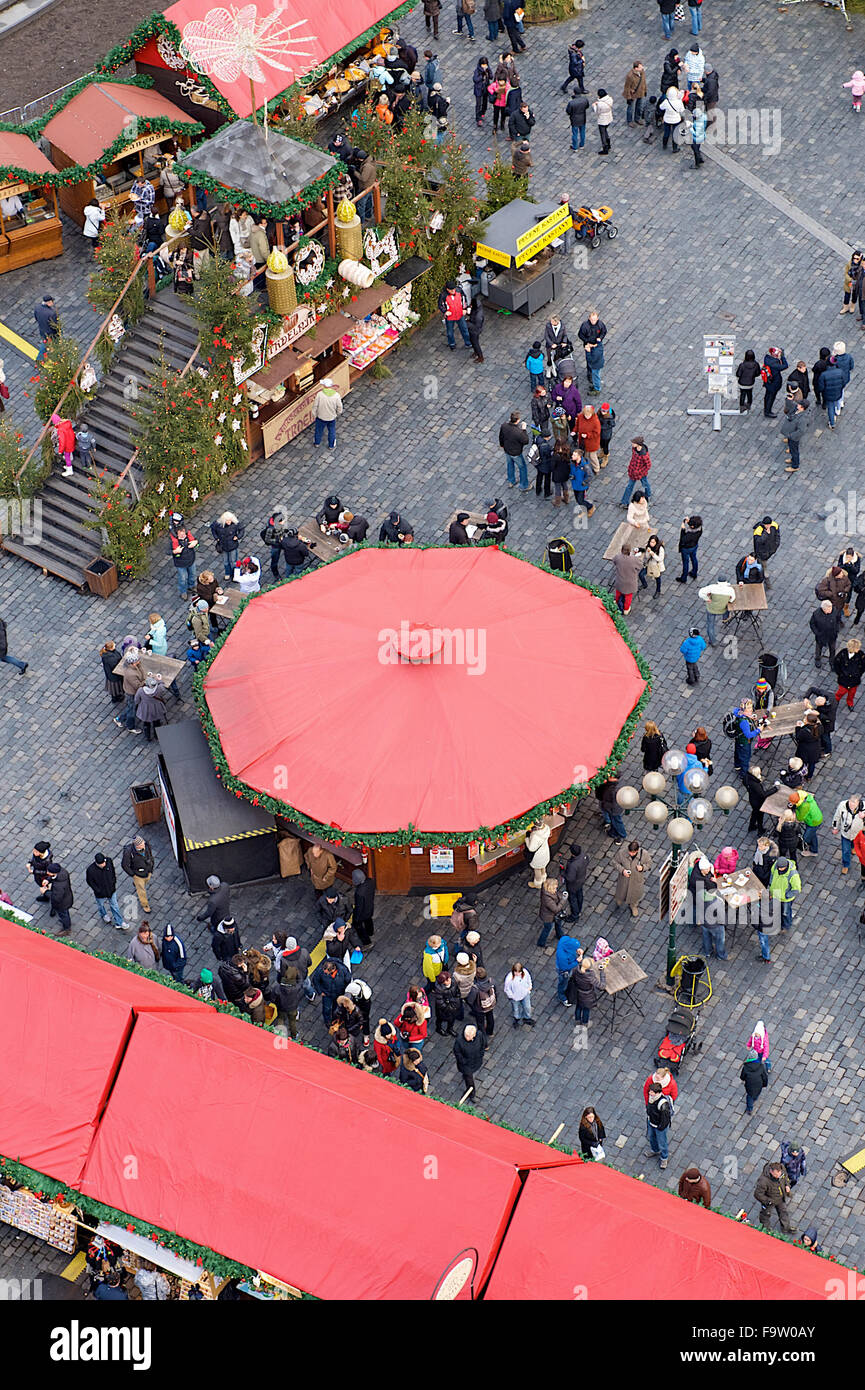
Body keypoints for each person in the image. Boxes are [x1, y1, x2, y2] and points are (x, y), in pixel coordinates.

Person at [85, 851, 128, 930]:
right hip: (100, 893)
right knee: (101, 905)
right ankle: (104, 914)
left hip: (111, 890)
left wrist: (113, 882)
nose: (103, 865)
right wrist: (98, 890)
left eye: (104, 862)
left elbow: (113, 872)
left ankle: (119, 922)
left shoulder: (109, 861)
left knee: (115, 906)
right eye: (101, 864)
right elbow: (90, 882)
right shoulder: (90, 870)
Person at [614, 840, 652, 918]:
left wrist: (642, 868)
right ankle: (619, 899)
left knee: (635, 894)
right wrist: (622, 870)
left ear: (637, 851)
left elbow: (649, 864)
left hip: (636, 879)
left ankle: (633, 905)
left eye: (633, 853)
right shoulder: (621, 853)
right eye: (630, 852)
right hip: (624, 879)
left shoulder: (644, 854)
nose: (631, 854)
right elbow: (615, 862)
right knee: (621, 892)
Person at [754, 1161, 795, 1232]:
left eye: (779, 1174)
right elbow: (758, 1194)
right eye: (776, 1175)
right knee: (765, 1215)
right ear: (771, 1171)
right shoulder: (763, 1181)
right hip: (770, 1201)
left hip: (780, 1198)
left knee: (783, 1212)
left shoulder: (782, 1169)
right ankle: (765, 1229)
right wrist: (767, 1201)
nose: (778, 1176)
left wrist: (787, 1185)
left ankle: (786, 1228)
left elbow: (786, 1178)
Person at [698, 576, 735, 646]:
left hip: (712, 609)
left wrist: (707, 599)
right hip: (722, 609)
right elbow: (732, 599)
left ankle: (713, 641)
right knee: (727, 608)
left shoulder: (712, 587)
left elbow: (700, 593)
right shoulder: (730, 590)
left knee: (710, 625)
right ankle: (725, 619)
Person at [567, 956, 604, 1027]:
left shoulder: (575, 969)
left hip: (577, 992)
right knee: (586, 1010)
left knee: (578, 1007)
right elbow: (602, 986)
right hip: (587, 995)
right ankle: (585, 1023)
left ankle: (577, 1021)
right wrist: (602, 974)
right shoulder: (589, 977)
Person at [832, 795, 864, 874]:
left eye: (854, 804)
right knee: (845, 850)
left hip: (857, 832)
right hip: (846, 833)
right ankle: (846, 865)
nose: (851, 806)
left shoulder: (863, 807)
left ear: (858, 803)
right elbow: (837, 817)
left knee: (855, 843)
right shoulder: (842, 805)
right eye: (850, 803)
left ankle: (853, 848)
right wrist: (835, 827)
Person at [121, 834, 154, 912]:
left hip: (148, 870)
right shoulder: (129, 852)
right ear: (137, 846)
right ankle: (145, 905)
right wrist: (133, 874)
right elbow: (124, 865)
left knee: (146, 880)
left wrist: (151, 866)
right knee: (141, 890)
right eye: (142, 845)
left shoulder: (146, 844)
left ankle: (136, 884)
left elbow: (150, 855)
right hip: (138, 874)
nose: (144, 846)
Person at [498, 410, 530, 490]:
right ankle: (524, 485)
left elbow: (501, 436)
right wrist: (524, 429)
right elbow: (525, 441)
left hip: (507, 450)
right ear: (518, 420)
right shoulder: (518, 432)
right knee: (522, 468)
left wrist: (502, 445)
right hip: (516, 453)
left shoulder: (504, 426)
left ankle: (511, 481)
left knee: (510, 464)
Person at [769, 854, 801, 930]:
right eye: (779, 868)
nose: (779, 869)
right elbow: (772, 875)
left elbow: (796, 889)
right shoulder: (775, 866)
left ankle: (786, 926)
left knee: (785, 913)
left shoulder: (793, 875)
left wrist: (786, 896)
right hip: (776, 894)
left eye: (781, 868)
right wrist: (770, 887)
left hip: (785, 898)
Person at [453, 1022, 486, 1098]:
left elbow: (483, 1044)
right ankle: (471, 1092)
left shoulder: (479, 1035)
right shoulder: (459, 1041)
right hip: (466, 1065)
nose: (467, 1037)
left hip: (476, 1061)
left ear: (474, 1035)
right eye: (466, 1035)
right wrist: (463, 1061)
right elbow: (457, 1052)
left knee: (468, 1076)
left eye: (469, 1036)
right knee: (469, 1079)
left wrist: (481, 1054)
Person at [210, 512, 244, 582]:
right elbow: (213, 529)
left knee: (234, 561)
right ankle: (227, 573)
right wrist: (216, 538)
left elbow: (241, 529)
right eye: (227, 520)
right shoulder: (218, 524)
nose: (229, 522)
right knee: (226, 561)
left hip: (232, 545)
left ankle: (236, 574)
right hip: (223, 546)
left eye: (230, 520)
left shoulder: (235, 524)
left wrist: (238, 537)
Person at [646, 1082, 673, 1168]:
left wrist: (660, 1127)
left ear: (657, 1093)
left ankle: (664, 1158)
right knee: (651, 1138)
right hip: (651, 1122)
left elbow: (665, 1118)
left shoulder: (662, 1103)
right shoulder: (651, 1098)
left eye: (652, 1092)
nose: (650, 1093)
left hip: (659, 1126)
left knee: (662, 1142)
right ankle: (655, 1150)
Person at [578, 310, 607, 391]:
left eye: (595, 319)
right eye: (592, 319)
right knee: (589, 360)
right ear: (589, 318)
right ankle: (589, 373)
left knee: (592, 359)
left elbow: (604, 332)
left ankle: (593, 376)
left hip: (596, 344)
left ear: (597, 318)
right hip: (588, 344)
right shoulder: (585, 326)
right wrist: (587, 342)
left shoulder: (600, 324)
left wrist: (600, 338)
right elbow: (580, 335)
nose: (593, 321)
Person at [41, 862, 73, 934]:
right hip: (66, 897)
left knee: (63, 915)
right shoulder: (62, 872)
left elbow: (56, 898)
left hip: (62, 903)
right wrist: (48, 880)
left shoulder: (59, 886)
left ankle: (67, 929)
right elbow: (53, 877)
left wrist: (45, 892)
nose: (47, 872)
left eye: (49, 872)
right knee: (65, 913)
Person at [438, 279, 471, 349]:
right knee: (450, 332)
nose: (453, 291)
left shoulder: (459, 290)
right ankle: (452, 344)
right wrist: (445, 311)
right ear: (447, 289)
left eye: (454, 289)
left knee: (465, 330)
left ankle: (468, 343)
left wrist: (464, 309)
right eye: (451, 290)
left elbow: (464, 299)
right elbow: (440, 305)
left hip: (460, 314)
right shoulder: (443, 295)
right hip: (450, 317)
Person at [833, 637, 865, 708]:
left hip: (854, 679)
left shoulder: (861, 654)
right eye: (857, 648)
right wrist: (840, 674)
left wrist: (859, 674)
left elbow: (863, 665)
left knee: (852, 693)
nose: (859, 649)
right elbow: (836, 664)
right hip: (844, 679)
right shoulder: (843, 654)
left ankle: (850, 702)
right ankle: (836, 700)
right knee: (841, 692)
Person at [789, 788, 823, 854]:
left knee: (805, 838)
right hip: (817, 818)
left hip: (813, 822)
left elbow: (800, 818)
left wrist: (795, 810)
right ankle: (814, 848)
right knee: (812, 834)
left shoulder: (805, 806)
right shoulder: (805, 797)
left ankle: (813, 851)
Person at [311, 378, 343, 450]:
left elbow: (315, 406)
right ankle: (331, 445)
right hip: (331, 417)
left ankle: (317, 443)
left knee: (318, 430)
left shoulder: (319, 395)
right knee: (331, 430)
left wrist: (314, 414)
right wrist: (338, 413)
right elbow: (340, 406)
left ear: (324, 386)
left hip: (321, 417)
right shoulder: (336, 395)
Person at [620, 436, 651, 506]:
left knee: (645, 484)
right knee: (629, 487)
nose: (632, 444)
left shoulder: (644, 455)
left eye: (633, 443)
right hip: (633, 472)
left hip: (640, 473)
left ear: (638, 444)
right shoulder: (634, 449)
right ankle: (624, 502)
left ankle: (648, 495)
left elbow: (648, 465)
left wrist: (640, 471)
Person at [134, 677, 167, 742]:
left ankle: (148, 737)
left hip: (145, 709)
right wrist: (160, 680)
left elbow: (136, 700)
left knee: (146, 723)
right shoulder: (158, 688)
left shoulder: (141, 690)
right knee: (157, 723)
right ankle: (157, 736)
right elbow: (163, 687)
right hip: (156, 708)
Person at [613, 545, 642, 616]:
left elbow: (614, 561)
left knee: (618, 593)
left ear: (621, 550)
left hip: (620, 581)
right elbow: (640, 566)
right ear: (629, 551)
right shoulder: (634, 559)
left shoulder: (618, 557)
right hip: (630, 582)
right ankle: (626, 609)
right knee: (628, 596)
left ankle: (616, 602)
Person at [563, 844, 589, 923]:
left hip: (573, 885)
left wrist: (563, 873)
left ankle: (575, 915)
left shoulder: (573, 865)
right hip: (580, 880)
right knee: (579, 895)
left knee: (573, 899)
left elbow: (570, 878)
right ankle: (579, 908)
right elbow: (587, 861)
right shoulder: (584, 855)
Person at [503, 961, 534, 1026]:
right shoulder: (509, 978)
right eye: (515, 972)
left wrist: (529, 987)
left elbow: (529, 979)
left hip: (525, 994)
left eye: (519, 972)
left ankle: (527, 1018)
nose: (517, 974)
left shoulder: (525, 973)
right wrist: (512, 996)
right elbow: (507, 989)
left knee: (527, 1007)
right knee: (516, 1009)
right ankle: (517, 1019)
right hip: (515, 997)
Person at [780, 399, 807, 472]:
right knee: (791, 448)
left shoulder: (802, 419)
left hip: (794, 437)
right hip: (790, 434)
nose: (797, 405)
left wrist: (791, 435)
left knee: (794, 451)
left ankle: (795, 466)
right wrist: (789, 400)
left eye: (799, 405)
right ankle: (792, 459)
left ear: (802, 407)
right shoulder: (796, 410)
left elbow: (801, 431)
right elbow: (790, 407)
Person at [762, 346, 788, 417]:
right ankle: (767, 411)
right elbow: (785, 365)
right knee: (771, 397)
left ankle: (766, 408)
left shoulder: (767, 359)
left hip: (768, 382)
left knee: (767, 395)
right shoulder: (775, 365)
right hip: (774, 384)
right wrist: (782, 356)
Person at [676, 515, 702, 583]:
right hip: (694, 546)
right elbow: (693, 527)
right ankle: (694, 573)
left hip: (686, 549)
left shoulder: (689, 534)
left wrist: (683, 529)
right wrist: (688, 522)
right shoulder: (699, 529)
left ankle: (683, 578)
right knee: (694, 558)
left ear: (692, 526)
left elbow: (683, 539)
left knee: (685, 563)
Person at [34, 295, 59, 361]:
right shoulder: (51, 313)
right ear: (49, 302)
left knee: (45, 343)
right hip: (50, 333)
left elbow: (36, 318)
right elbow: (54, 326)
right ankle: (39, 359)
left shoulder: (37, 308)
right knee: (45, 346)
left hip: (42, 330)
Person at [660, 85, 685, 150]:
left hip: (667, 119)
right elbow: (682, 110)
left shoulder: (666, 102)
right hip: (676, 120)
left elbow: (661, 107)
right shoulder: (679, 102)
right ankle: (675, 148)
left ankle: (664, 145)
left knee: (666, 133)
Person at [623, 60, 647, 125]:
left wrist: (645, 90)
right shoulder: (630, 76)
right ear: (636, 68)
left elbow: (644, 81)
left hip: (641, 92)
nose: (642, 68)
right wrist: (628, 97)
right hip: (632, 94)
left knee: (639, 106)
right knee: (630, 108)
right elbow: (627, 87)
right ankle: (629, 121)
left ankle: (637, 118)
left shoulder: (642, 72)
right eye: (640, 67)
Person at [591, 88, 613, 155]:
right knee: (605, 131)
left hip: (602, 120)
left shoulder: (600, 104)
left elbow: (597, 112)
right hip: (609, 117)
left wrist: (594, 106)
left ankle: (605, 148)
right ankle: (608, 144)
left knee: (602, 134)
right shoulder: (610, 99)